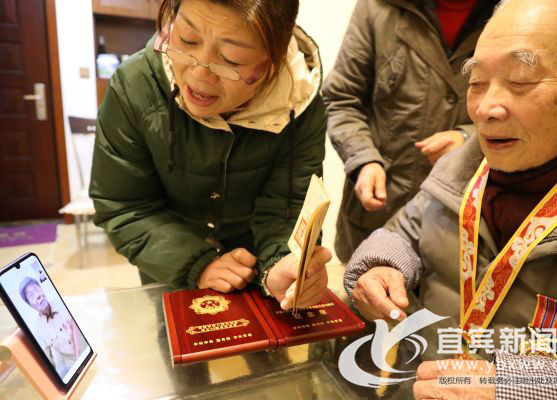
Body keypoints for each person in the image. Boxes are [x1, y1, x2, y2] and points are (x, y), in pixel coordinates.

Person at [344, 0, 557, 398]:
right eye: (476, 82)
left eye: (521, 80)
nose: (484, 109)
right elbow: (404, 230)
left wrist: (529, 389)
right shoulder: (463, 165)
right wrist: (382, 264)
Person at [90, 0, 330, 310]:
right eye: (187, 40)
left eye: (232, 60)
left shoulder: (299, 101)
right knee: (173, 337)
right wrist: (196, 265)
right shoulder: (135, 86)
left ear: (275, 60)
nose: (200, 75)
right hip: (170, 267)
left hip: (259, 275)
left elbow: (288, 207)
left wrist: (284, 264)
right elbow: (125, 206)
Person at [322, 0, 499, 262]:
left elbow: (531, 111)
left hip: (461, 223)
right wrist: (364, 160)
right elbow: (341, 98)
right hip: (374, 218)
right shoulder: (377, 8)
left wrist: (468, 137)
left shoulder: (512, 13)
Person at [19, 277, 85, 378]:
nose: (37, 296)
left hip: (90, 353)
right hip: (74, 372)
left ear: (42, 289)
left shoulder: (63, 301)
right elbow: (49, 364)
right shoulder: (37, 331)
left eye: (36, 289)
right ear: (30, 305)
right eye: (31, 295)